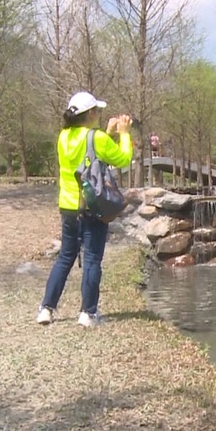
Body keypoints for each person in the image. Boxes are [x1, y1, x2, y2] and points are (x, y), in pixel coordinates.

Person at [36, 91, 133, 327]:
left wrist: (107, 133)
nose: (99, 114)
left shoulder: (63, 136)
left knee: (65, 257)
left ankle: (47, 309)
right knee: (92, 259)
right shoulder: (95, 137)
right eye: (97, 111)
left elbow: (89, 155)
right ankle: (88, 313)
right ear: (89, 114)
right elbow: (122, 159)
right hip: (91, 206)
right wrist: (124, 134)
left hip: (68, 206)